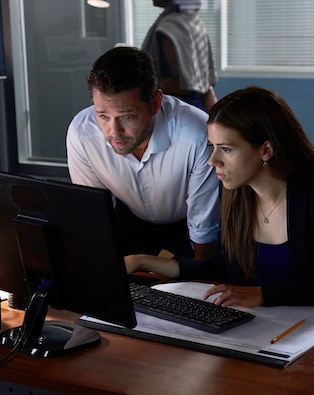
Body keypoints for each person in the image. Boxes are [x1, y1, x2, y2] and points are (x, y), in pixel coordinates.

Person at [125, 86, 314, 308]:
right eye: (213, 147)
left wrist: (263, 295)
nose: (213, 161)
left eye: (226, 149)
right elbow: (218, 268)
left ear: (266, 149)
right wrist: (142, 261)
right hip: (261, 327)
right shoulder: (237, 191)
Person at [66, 46, 220, 259]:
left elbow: (204, 226)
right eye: (102, 115)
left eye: (127, 117)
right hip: (127, 219)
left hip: (186, 227)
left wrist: (197, 280)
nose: (114, 131)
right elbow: (95, 217)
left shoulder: (197, 134)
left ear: (156, 103)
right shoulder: (82, 134)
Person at [141, 0, 218, 112]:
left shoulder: (170, 27)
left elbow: (180, 84)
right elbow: (205, 85)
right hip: (200, 105)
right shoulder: (193, 21)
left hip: (178, 109)